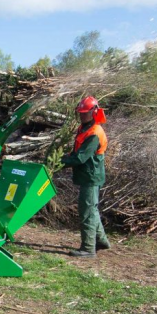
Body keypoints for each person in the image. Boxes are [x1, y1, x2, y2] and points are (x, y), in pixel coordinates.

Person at [61, 96, 110, 258]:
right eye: (80, 113)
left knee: (87, 211)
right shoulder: (84, 128)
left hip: (91, 176)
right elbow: (76, 151)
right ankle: (102, 241)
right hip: (86, 175)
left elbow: (81, 158)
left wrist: (61, 161)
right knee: (92, 209)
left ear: (94, 112)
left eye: (85, 113)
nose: (82, 115)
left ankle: (88, 248)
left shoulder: (95, 133)